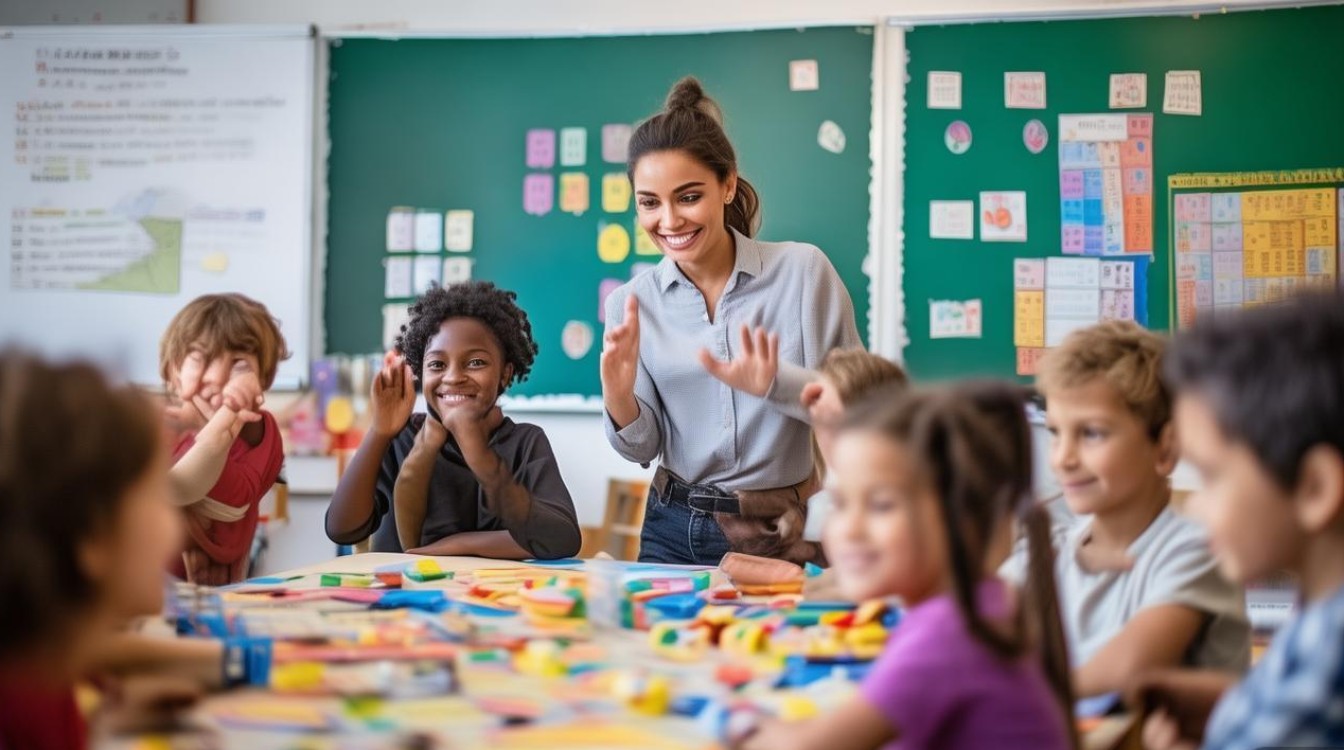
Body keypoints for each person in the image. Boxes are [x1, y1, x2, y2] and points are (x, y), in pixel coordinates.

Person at [601, 76, 861, 565]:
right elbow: (643, 448)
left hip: (780, 525)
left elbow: (861, 410)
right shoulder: (630, 304)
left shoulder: (803, 272)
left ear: (727, 185)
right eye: (650, 202)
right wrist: (618, 400)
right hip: (671, 527)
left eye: (689, 196)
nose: (670, 221)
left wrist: (778, 383)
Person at [736, 382, 1074, 750]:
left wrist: (743, 729)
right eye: (840, 503)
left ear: (960, 519)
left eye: (881, 505)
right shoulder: (980, 600)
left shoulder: (943, 637)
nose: (848, 527)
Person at [1141, 291, 1344, 750]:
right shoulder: (1319, 613)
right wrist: (1235, 702)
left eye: (1211, 476)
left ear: (1315, 489)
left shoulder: (1332, 652)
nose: (1194, 505)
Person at [1003, 320, 1248, 700]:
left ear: (1165, 449)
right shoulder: (1046, 550)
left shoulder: (1196, 549)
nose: (1063, 458)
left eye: (1092, 433)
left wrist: (1005, 695)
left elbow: (1130, 669)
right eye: (1055, 432)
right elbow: (962, 625)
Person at [0, 351, 182, 749]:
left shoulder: (44, 675)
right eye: (157, 495)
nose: (178, 528)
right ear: (93, 537)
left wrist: (100, 723)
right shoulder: (28, 702)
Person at [326, 281, 580, 559]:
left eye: (476, 363)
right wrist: (379, 431)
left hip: (489, 598)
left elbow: (562, 539)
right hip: (405, 599)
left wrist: (458, 546)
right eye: (437, 364)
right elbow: (342, 529)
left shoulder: (525, 443)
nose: (453, 377)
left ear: (505, 374)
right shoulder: (403, 437)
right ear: (421, 373)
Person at [160, 293, 288, 584]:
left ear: (263, 379)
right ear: (173, 372)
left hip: (217, 603)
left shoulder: (261, 434)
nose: (217, 377)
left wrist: (228, 415)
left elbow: (186, 490)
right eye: (199, 358)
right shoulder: (154, 428)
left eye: (239, 364)